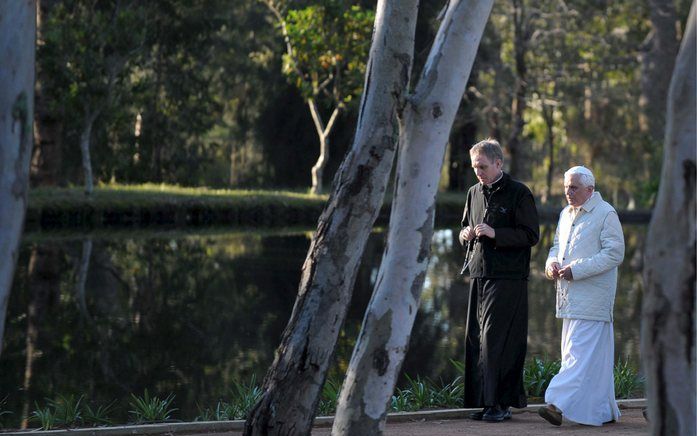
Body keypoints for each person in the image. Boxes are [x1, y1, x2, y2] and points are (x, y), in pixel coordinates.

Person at [459, 138, 540, 422]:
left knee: (496, 340)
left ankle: (501, 403)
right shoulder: (473, 192)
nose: (477, 171)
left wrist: (495, 234)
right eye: (474, 167)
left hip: (508, 277)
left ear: (498, 163)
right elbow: (463, 228)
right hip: (479, 274)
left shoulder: (519, 193)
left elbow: (531, 235)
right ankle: (485, 402)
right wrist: (465, 234)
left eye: (482, 166)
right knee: (476, 339)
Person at [538, 165, 625, 427]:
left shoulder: (606, 213)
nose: (568, 191)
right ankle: (602, 411)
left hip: (593, 298)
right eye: (566, 186)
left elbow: (614, 254)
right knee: (590, 358)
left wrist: (576, 270)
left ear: (590, 189)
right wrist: (551, 264)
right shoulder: (565, 214)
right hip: (569, 298)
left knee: (577, 355)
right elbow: (556, 246)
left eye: (574, 187)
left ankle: (556, 403)